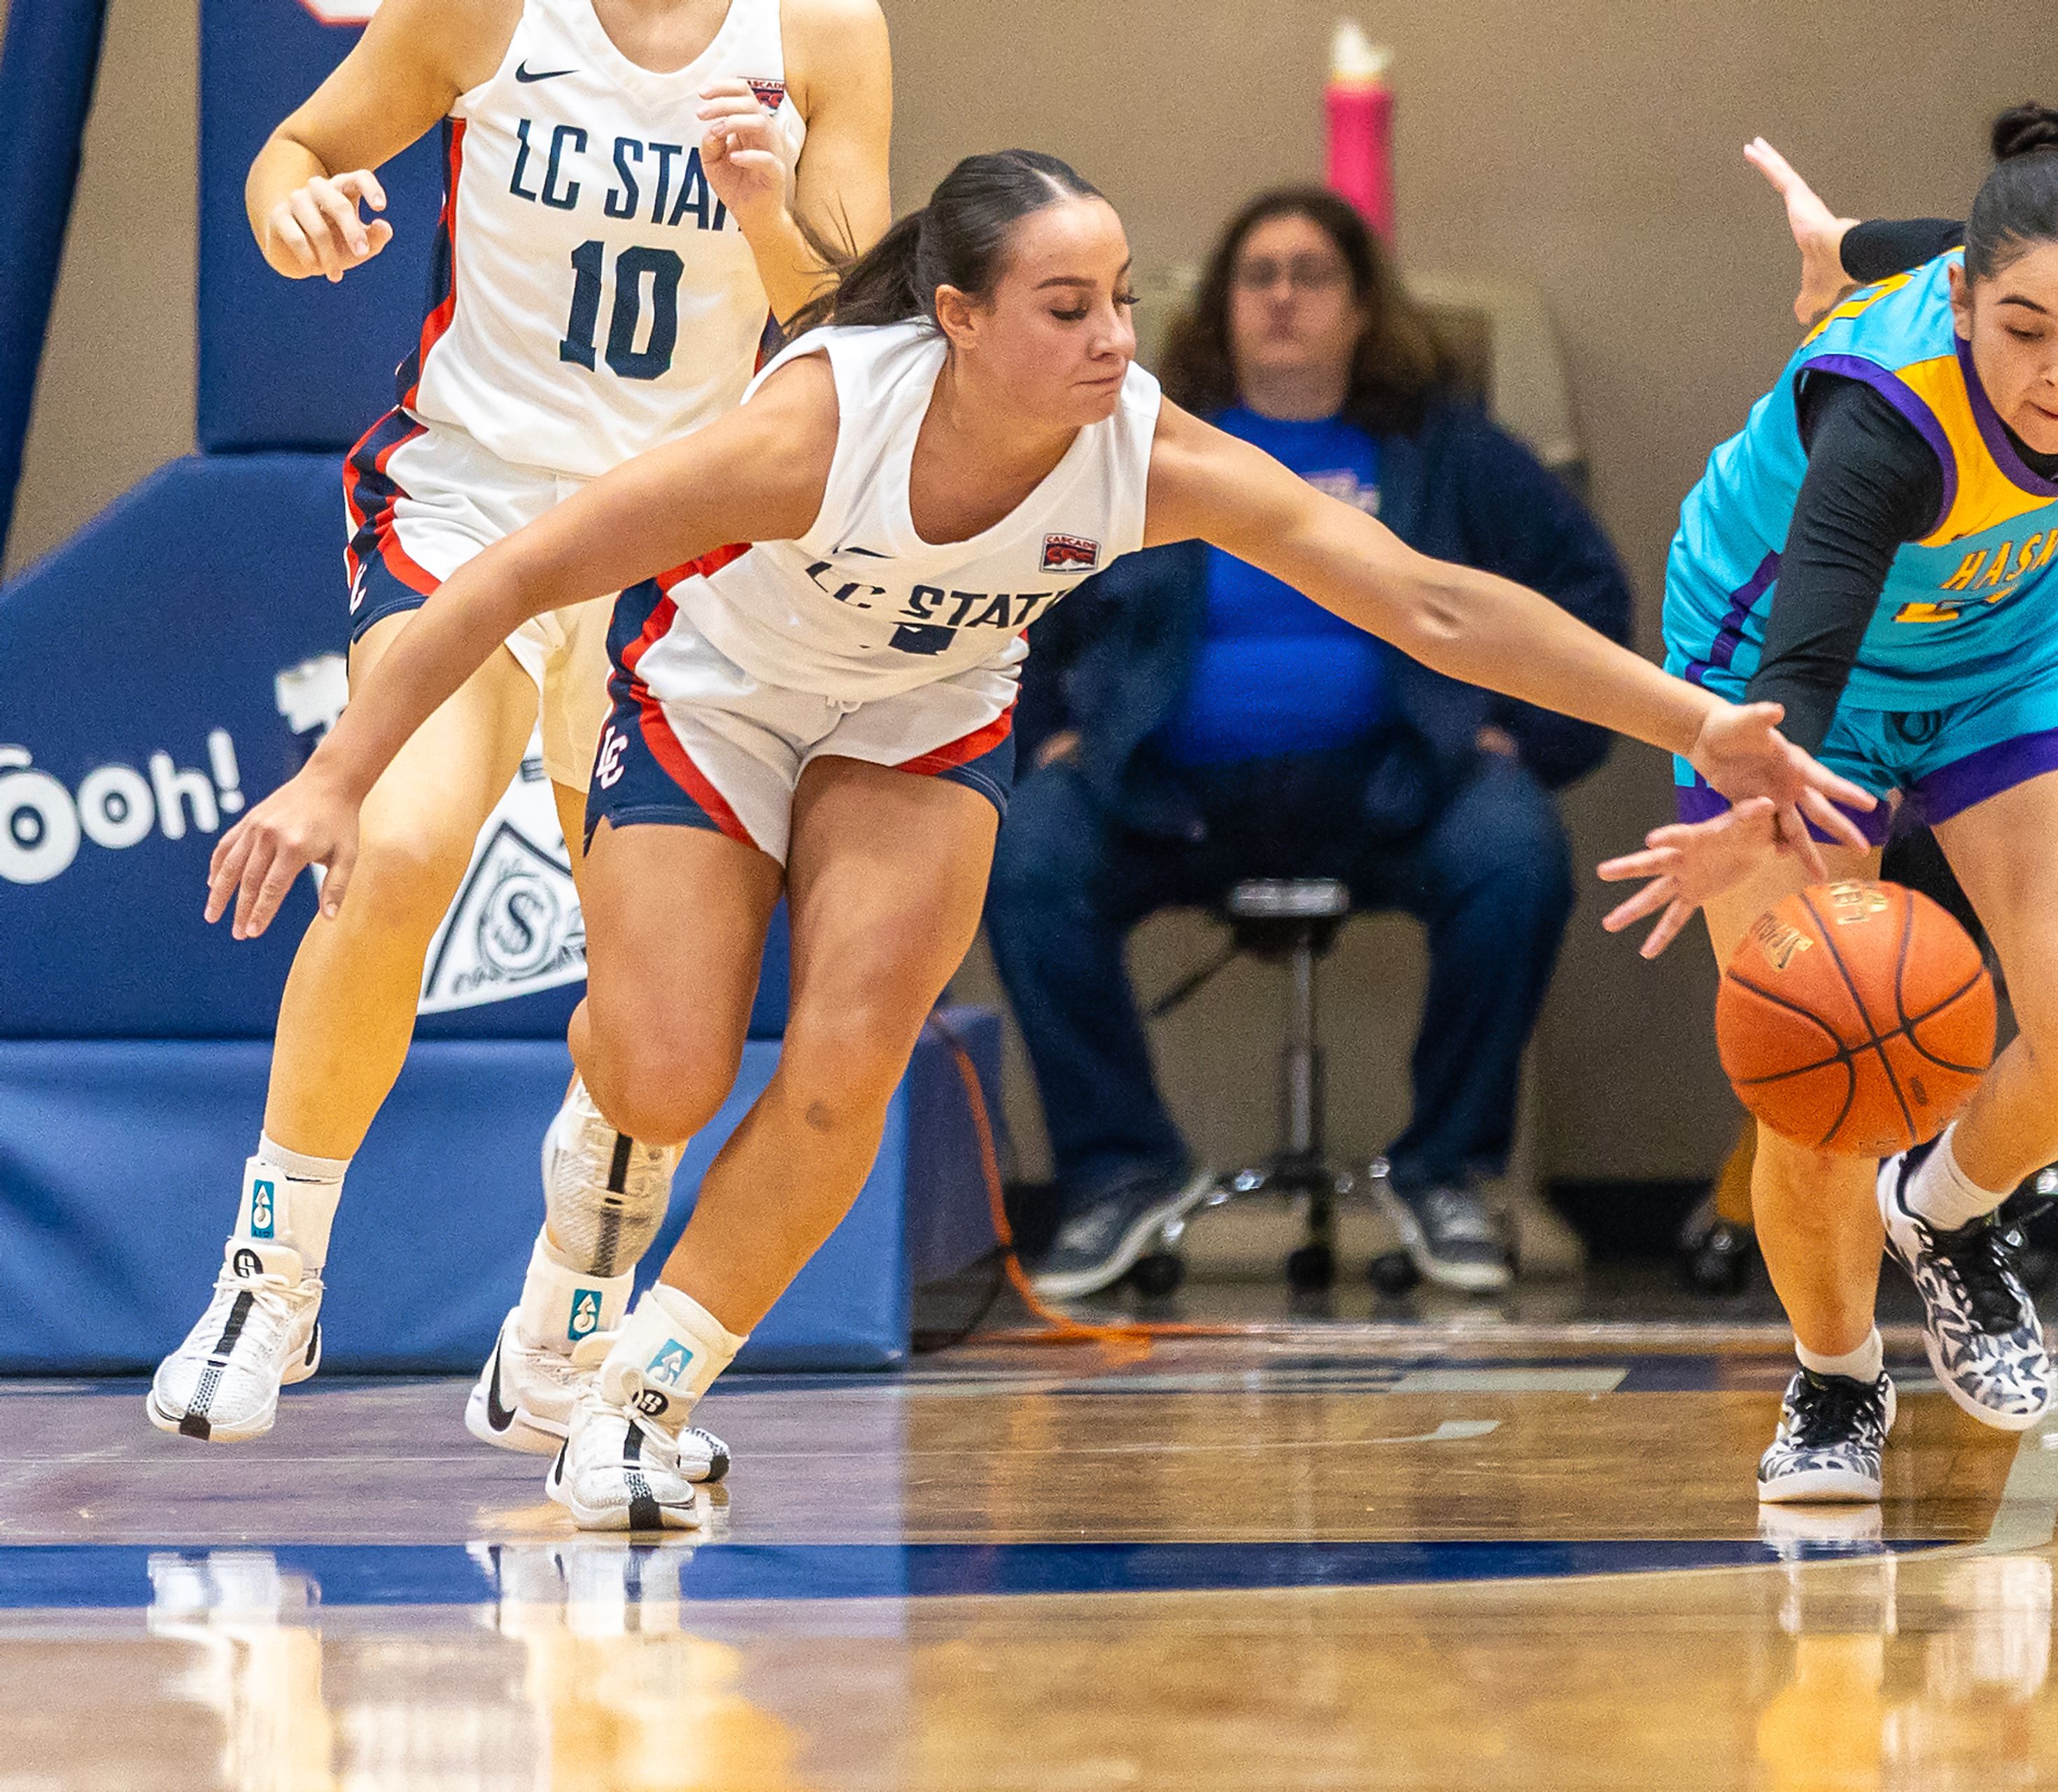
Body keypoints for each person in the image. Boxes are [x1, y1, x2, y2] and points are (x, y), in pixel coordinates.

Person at [202, 150, 1874, 1530]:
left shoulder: (1134, 447)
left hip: (921, 721)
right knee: (663, 1068)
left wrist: (1694, 722)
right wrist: (339, 775)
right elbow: (508, 576)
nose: (1112, 337)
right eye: (1068, 307)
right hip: (715, 688)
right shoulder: (816, 425)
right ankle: (588, 1209)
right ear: (957, 320)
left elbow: (1432, 601)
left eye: (1126, 300)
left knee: (854, 1046)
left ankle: (638, 1394)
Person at [146, 0, 894, 1481]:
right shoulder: (487, 6)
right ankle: (272, 1277)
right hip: (473, 504)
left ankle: (564, 1331)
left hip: (680, 542)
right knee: (405, 842)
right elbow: (297, 146)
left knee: (655, 1010)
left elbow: (853, 321)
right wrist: (295, 212)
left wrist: (763, 206)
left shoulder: (824, 28)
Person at [1602, 94, 2058, 1503]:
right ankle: (1832, 1384)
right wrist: (1752, 814)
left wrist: (1857, 238)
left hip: (2013, 654)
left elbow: (2031, 265)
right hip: (1779, 681)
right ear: (1960, 302)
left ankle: (1944, 1214)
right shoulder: (1884, 421)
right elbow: (1806, 656)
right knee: (1817, 1075)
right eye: (2023, 332)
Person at [992, 186, 1633, 1299]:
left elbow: (1588, 593)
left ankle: (1446, 1172)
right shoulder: (1140, 443)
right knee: (1023, 849)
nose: (1283, 297)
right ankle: (1118, 1171)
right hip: (1159, 793)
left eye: (1312, 275)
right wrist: (1040, 736)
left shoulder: (1448, 451)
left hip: (1398, 789)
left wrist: (1521, 738)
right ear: (1222, 308)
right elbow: (1017, 586)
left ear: (1361, 308)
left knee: (1514, 849)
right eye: (1259, 275)